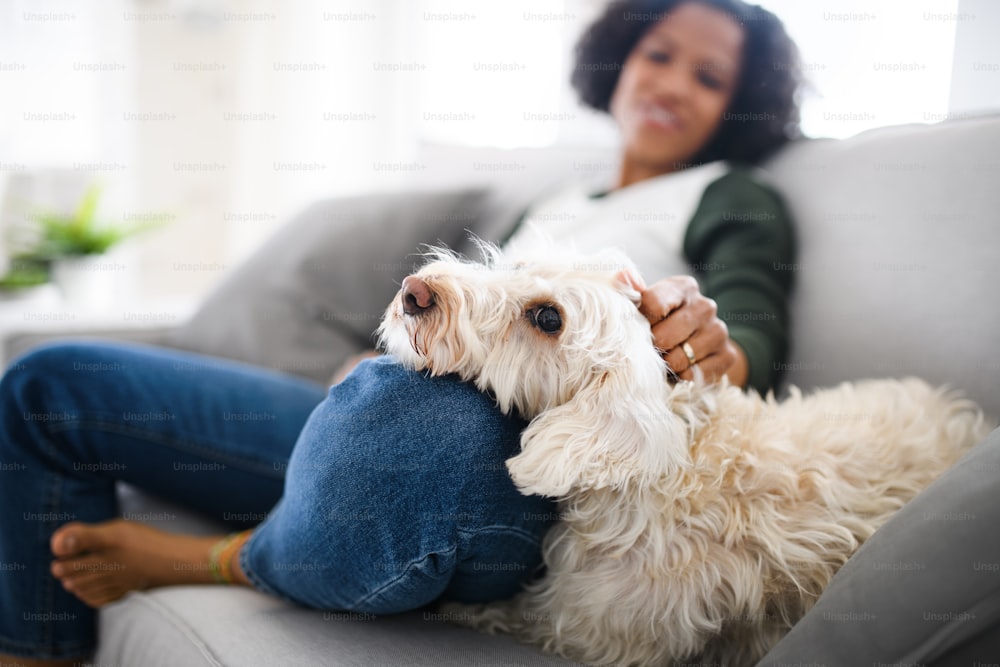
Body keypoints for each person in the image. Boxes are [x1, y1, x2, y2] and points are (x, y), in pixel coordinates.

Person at [0, 1, 804, 664]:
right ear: (621, 57)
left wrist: (705, 339)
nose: (672, 83)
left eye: (709, 77)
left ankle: (220, 558)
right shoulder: (563, 198)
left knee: (409, 419)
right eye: (658, 54)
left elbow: (746, 343)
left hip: (507, 462)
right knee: (47, 382)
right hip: (387, 403)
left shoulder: (730, 193)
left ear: (741, 103)